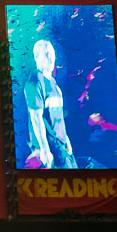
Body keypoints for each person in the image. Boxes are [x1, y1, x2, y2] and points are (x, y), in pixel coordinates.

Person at [23, 39, 76, 169]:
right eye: (46, 54)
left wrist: (66, 139)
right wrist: (44, 149)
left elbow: (58, 118)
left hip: (61, 147)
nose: (50, 57)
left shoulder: (54, 84)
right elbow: (36, 119)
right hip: (50, 150)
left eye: (51, 54)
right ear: (36, 57)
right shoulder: (35, 82)